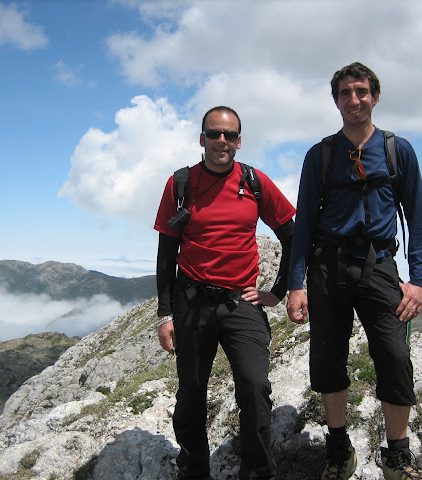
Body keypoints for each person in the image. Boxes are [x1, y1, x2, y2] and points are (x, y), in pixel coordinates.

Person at [286, 62, 422, 480]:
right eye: (346, 92)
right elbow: (305, 225)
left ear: (375, 96)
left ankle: (397, 460)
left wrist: (418, 281)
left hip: (379, 266)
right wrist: (296, 284)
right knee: (327, 360)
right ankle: (338, 452)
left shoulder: (396, 150)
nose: (355, 99)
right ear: (336, 100)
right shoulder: (320, 155)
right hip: (327, 267)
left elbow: (418, 219)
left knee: (394, 355)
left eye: (362, 91)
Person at [155, 106, 296, 480]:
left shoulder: (254, 182)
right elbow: (166, 254)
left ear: (239, 141)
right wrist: (165, 314)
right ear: (202, 139)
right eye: (214, 134)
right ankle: (194, 470)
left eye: (229, 135)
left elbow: (293, 238)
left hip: (240, 301)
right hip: (191, 302)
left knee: (253, 386)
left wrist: (278, 291)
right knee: (191, 393)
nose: (222, 141)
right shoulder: (180, 184)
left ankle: (258, 471)